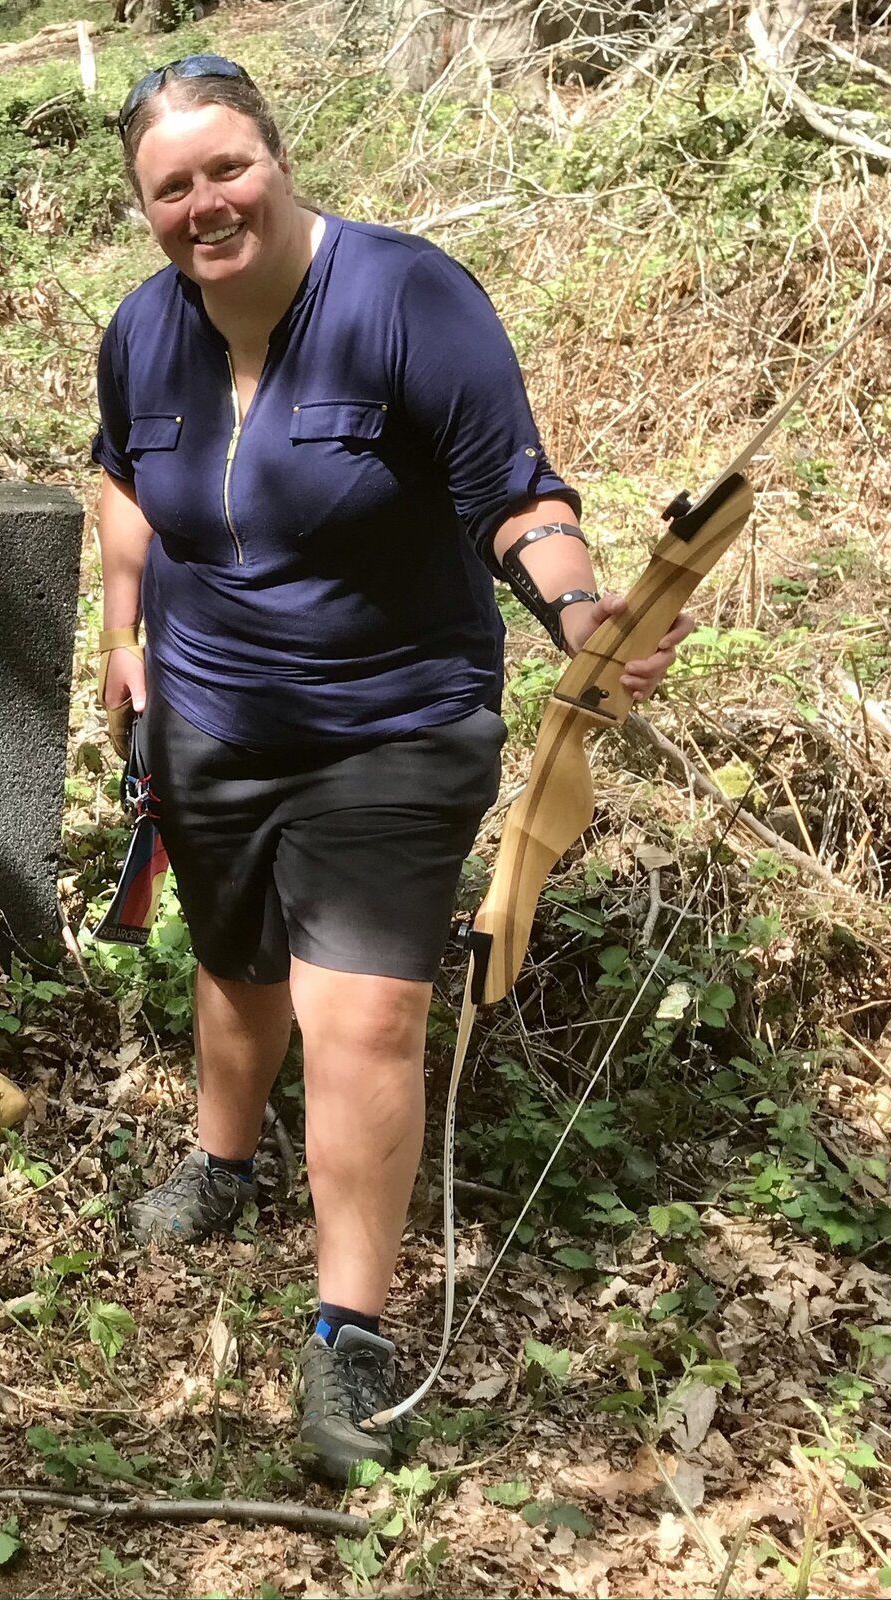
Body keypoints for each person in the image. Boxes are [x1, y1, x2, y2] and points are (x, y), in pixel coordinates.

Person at [91, 54, 693, 1483]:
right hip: (209, 712)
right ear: (146, 212)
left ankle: (346, 1329)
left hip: (391, 722)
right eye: (170, 187)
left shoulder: (407, 297)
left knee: (357, 1016)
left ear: (278, 160)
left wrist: (575, 608)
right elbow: (122, 475)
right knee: (233, 958)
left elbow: (512, 489)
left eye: (225, 167)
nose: (204, 203)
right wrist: (120, 637)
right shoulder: (142, 331)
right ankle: (220, 1163)